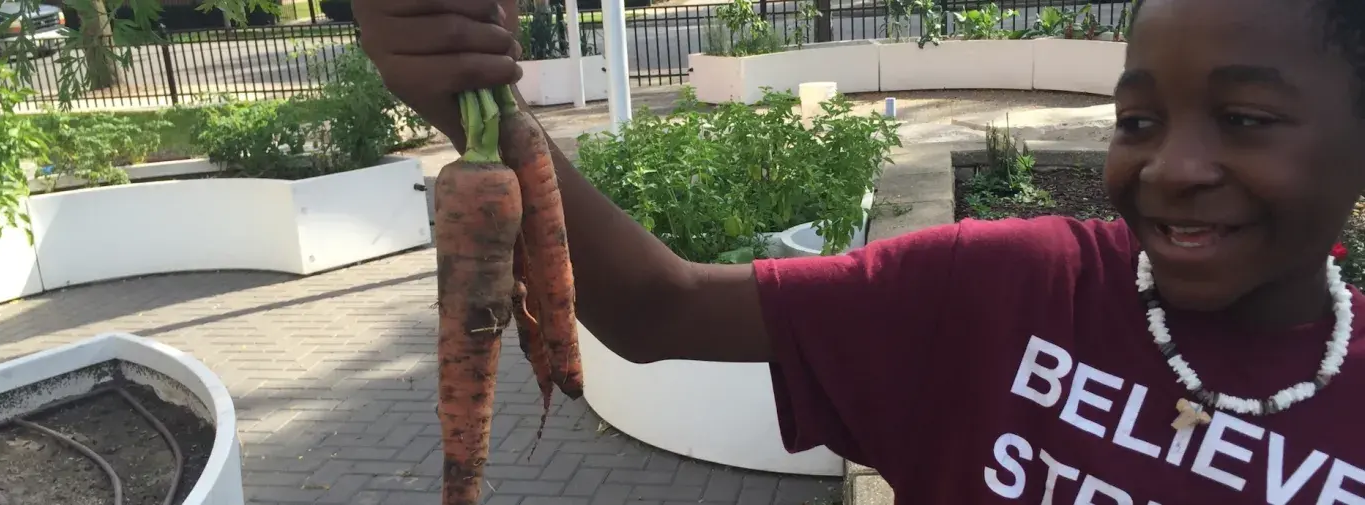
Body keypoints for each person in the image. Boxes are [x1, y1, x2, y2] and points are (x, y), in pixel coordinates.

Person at [354, 0, 1365, 501]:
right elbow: (656, 309)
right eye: (1136, 122)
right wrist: (473, 106)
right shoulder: (1009, 287)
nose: (1172, 167)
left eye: (1242, 118)